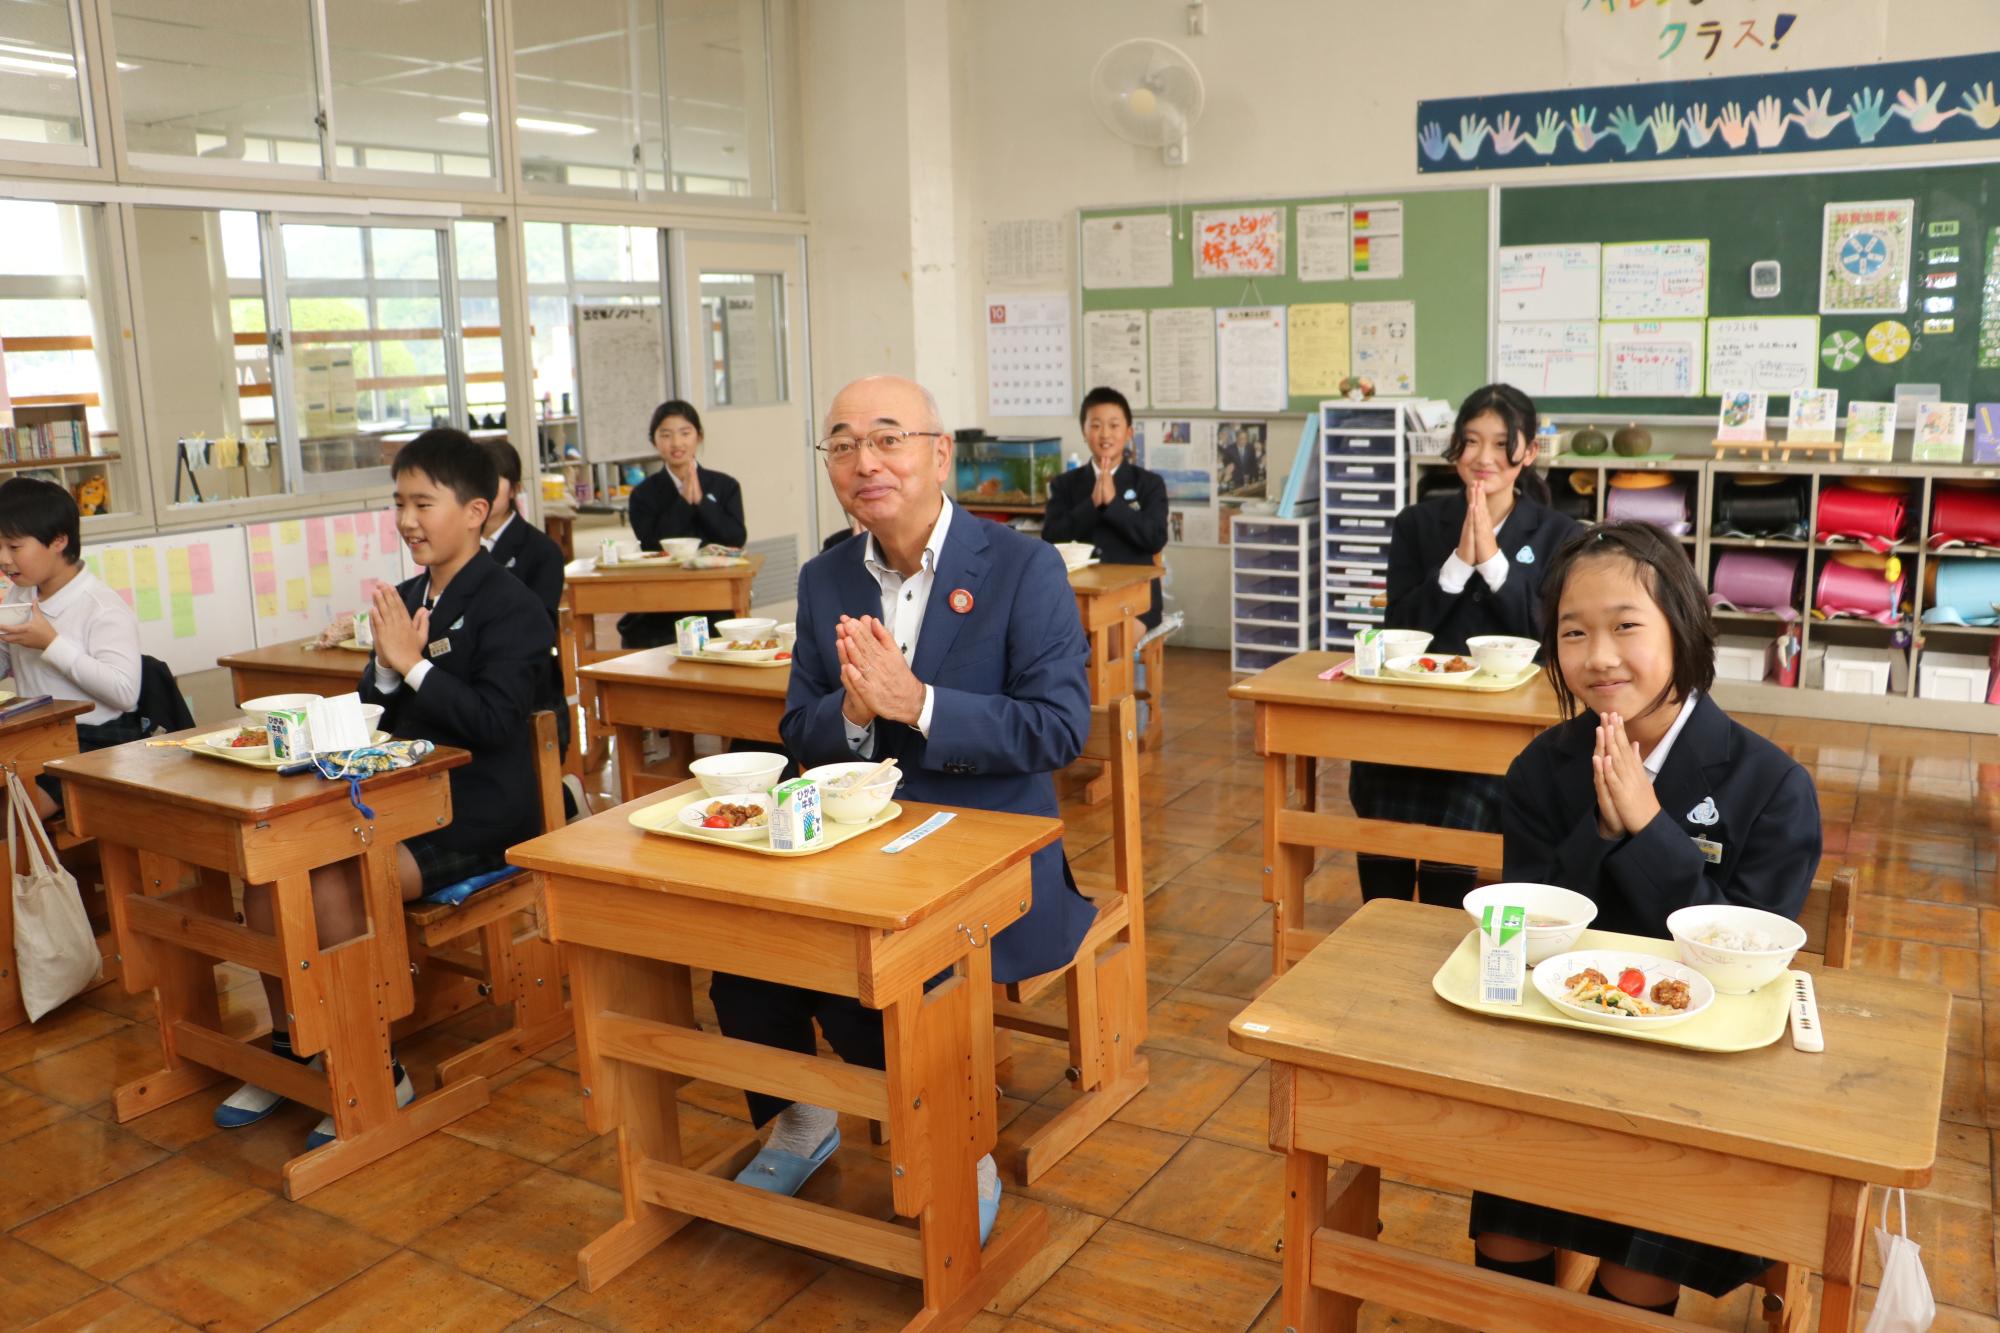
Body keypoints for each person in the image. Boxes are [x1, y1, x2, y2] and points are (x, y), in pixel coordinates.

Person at [708, 374, 1094, 1244]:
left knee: (874, 974)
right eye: (842, 445)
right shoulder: (824, 577)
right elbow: (797, 724)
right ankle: (804, 1117)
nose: (864, 461)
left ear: (939, 452)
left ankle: (962, 1147)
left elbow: (1060, 728)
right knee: (741, 954)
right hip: (854, 837)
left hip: (986, 847)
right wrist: (851, 711)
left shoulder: (1022, 565)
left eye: (887, 438)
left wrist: (918, 703)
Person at [1476, 519, 1820, 1312]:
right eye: (1573, 632)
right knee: (1507, 1235)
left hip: (1695, 1081)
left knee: (1636, 1271)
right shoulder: (1541, 768)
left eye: (1626, 626)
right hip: (1556, 1053)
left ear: (1683, 626)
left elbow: (1742, 965)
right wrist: (1599, 828)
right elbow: (1525, 929)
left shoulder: (1770, 784)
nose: (1598, 656)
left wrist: (1649, 827)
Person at [215, 429, 555, 1147]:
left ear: (477, 509)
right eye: (399, 501)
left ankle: (373, 1064)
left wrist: (416, 665)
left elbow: (495, 724)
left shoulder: (513, 604)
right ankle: (293, 1045)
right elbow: (376, 712)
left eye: (422, 502)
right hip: (396, 800)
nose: (406, 519)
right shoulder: (404, 597)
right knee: (266, 874)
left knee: (332, 880)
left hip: (477, 811)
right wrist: (391, 671)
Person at [1349, 384, 1580, 907]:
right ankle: (1377, 925)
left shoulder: (1559, 533)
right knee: (1378, 793)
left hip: (1497, 728)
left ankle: (1439, 934)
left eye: (1501, 444)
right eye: (1471, 441)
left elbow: (1546, 637)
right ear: (1455, 447)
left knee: (1459, 820)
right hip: (1410, 715)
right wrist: (1456, 563)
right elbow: (1399, 628)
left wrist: (1494, 560)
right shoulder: (1417, 523)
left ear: (1529, 452)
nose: (1484, 458)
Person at [0, 477, 142, 820]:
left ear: (59, 541)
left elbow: (125, 693)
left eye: (14, 547)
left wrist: (50, 643)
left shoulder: (101, 606)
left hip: (95, 744)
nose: (3, 559)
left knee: (9, 820)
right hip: (35, 738)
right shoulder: (22, 595)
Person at [477, 437, 577, 775]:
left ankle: (564, 795)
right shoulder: (457, 547)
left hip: (530, 688)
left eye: (493, 481)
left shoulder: (541, 550)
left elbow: (539, 629)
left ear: (515, 487)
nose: (483, 490)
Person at [619, 399, 747, 648]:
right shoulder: (642, 494)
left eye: (685, 433)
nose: (676, 443)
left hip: (715, 599)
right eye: (666, 435)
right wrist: (683, 501)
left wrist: (701, 502)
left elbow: (735, 538)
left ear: (698, 436)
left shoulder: (725, 485)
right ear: (654, 441)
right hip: (659, 603)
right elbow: (650, 543)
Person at [1040, 386, 1169, 629]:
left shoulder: (1150, 483)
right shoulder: (1064, 484)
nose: (1105, 434)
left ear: (1128, 432)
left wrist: (1113, 504)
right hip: (1076, 595)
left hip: (1135, 598)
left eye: (1114, 425)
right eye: (1096, 425)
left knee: (1110, 641)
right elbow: (1051, 538)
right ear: (1084, 431)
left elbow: (1155, 539)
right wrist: (1092, 505)